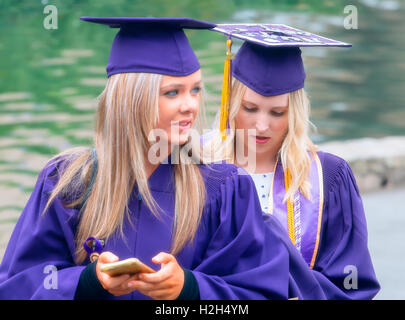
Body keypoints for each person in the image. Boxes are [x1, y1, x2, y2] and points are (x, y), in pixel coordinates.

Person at [0, 17, 299, 300]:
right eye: (173, 93)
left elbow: (256, 293)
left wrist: (190, 289)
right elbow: (18, 286)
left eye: (195, 90)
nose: (190, 106)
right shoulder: (68, 183)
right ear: (131, 99)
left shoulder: (224, 190)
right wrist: (88, 282)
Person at [204, 23, 380, 299]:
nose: (261, 125)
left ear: (295, 113)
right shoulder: (196, 164)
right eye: (250, 109)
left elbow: (352, 286)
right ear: (230, 103)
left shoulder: (328, 177)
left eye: (277, 112)